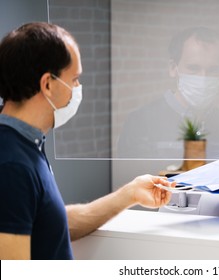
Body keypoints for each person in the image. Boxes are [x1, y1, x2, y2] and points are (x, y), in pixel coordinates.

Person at [0, 22, 175, 260]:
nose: (78, 88)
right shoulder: (11, 165)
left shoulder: (25, 144)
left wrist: (130, 194)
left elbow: (51, 225)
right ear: (48, 84)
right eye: (74, 79)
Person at [117, 26, 219, 161]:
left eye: (213, 70)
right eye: (193, 68)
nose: (203, 78)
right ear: (173, 68)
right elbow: (132, 179)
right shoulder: (140, 123)